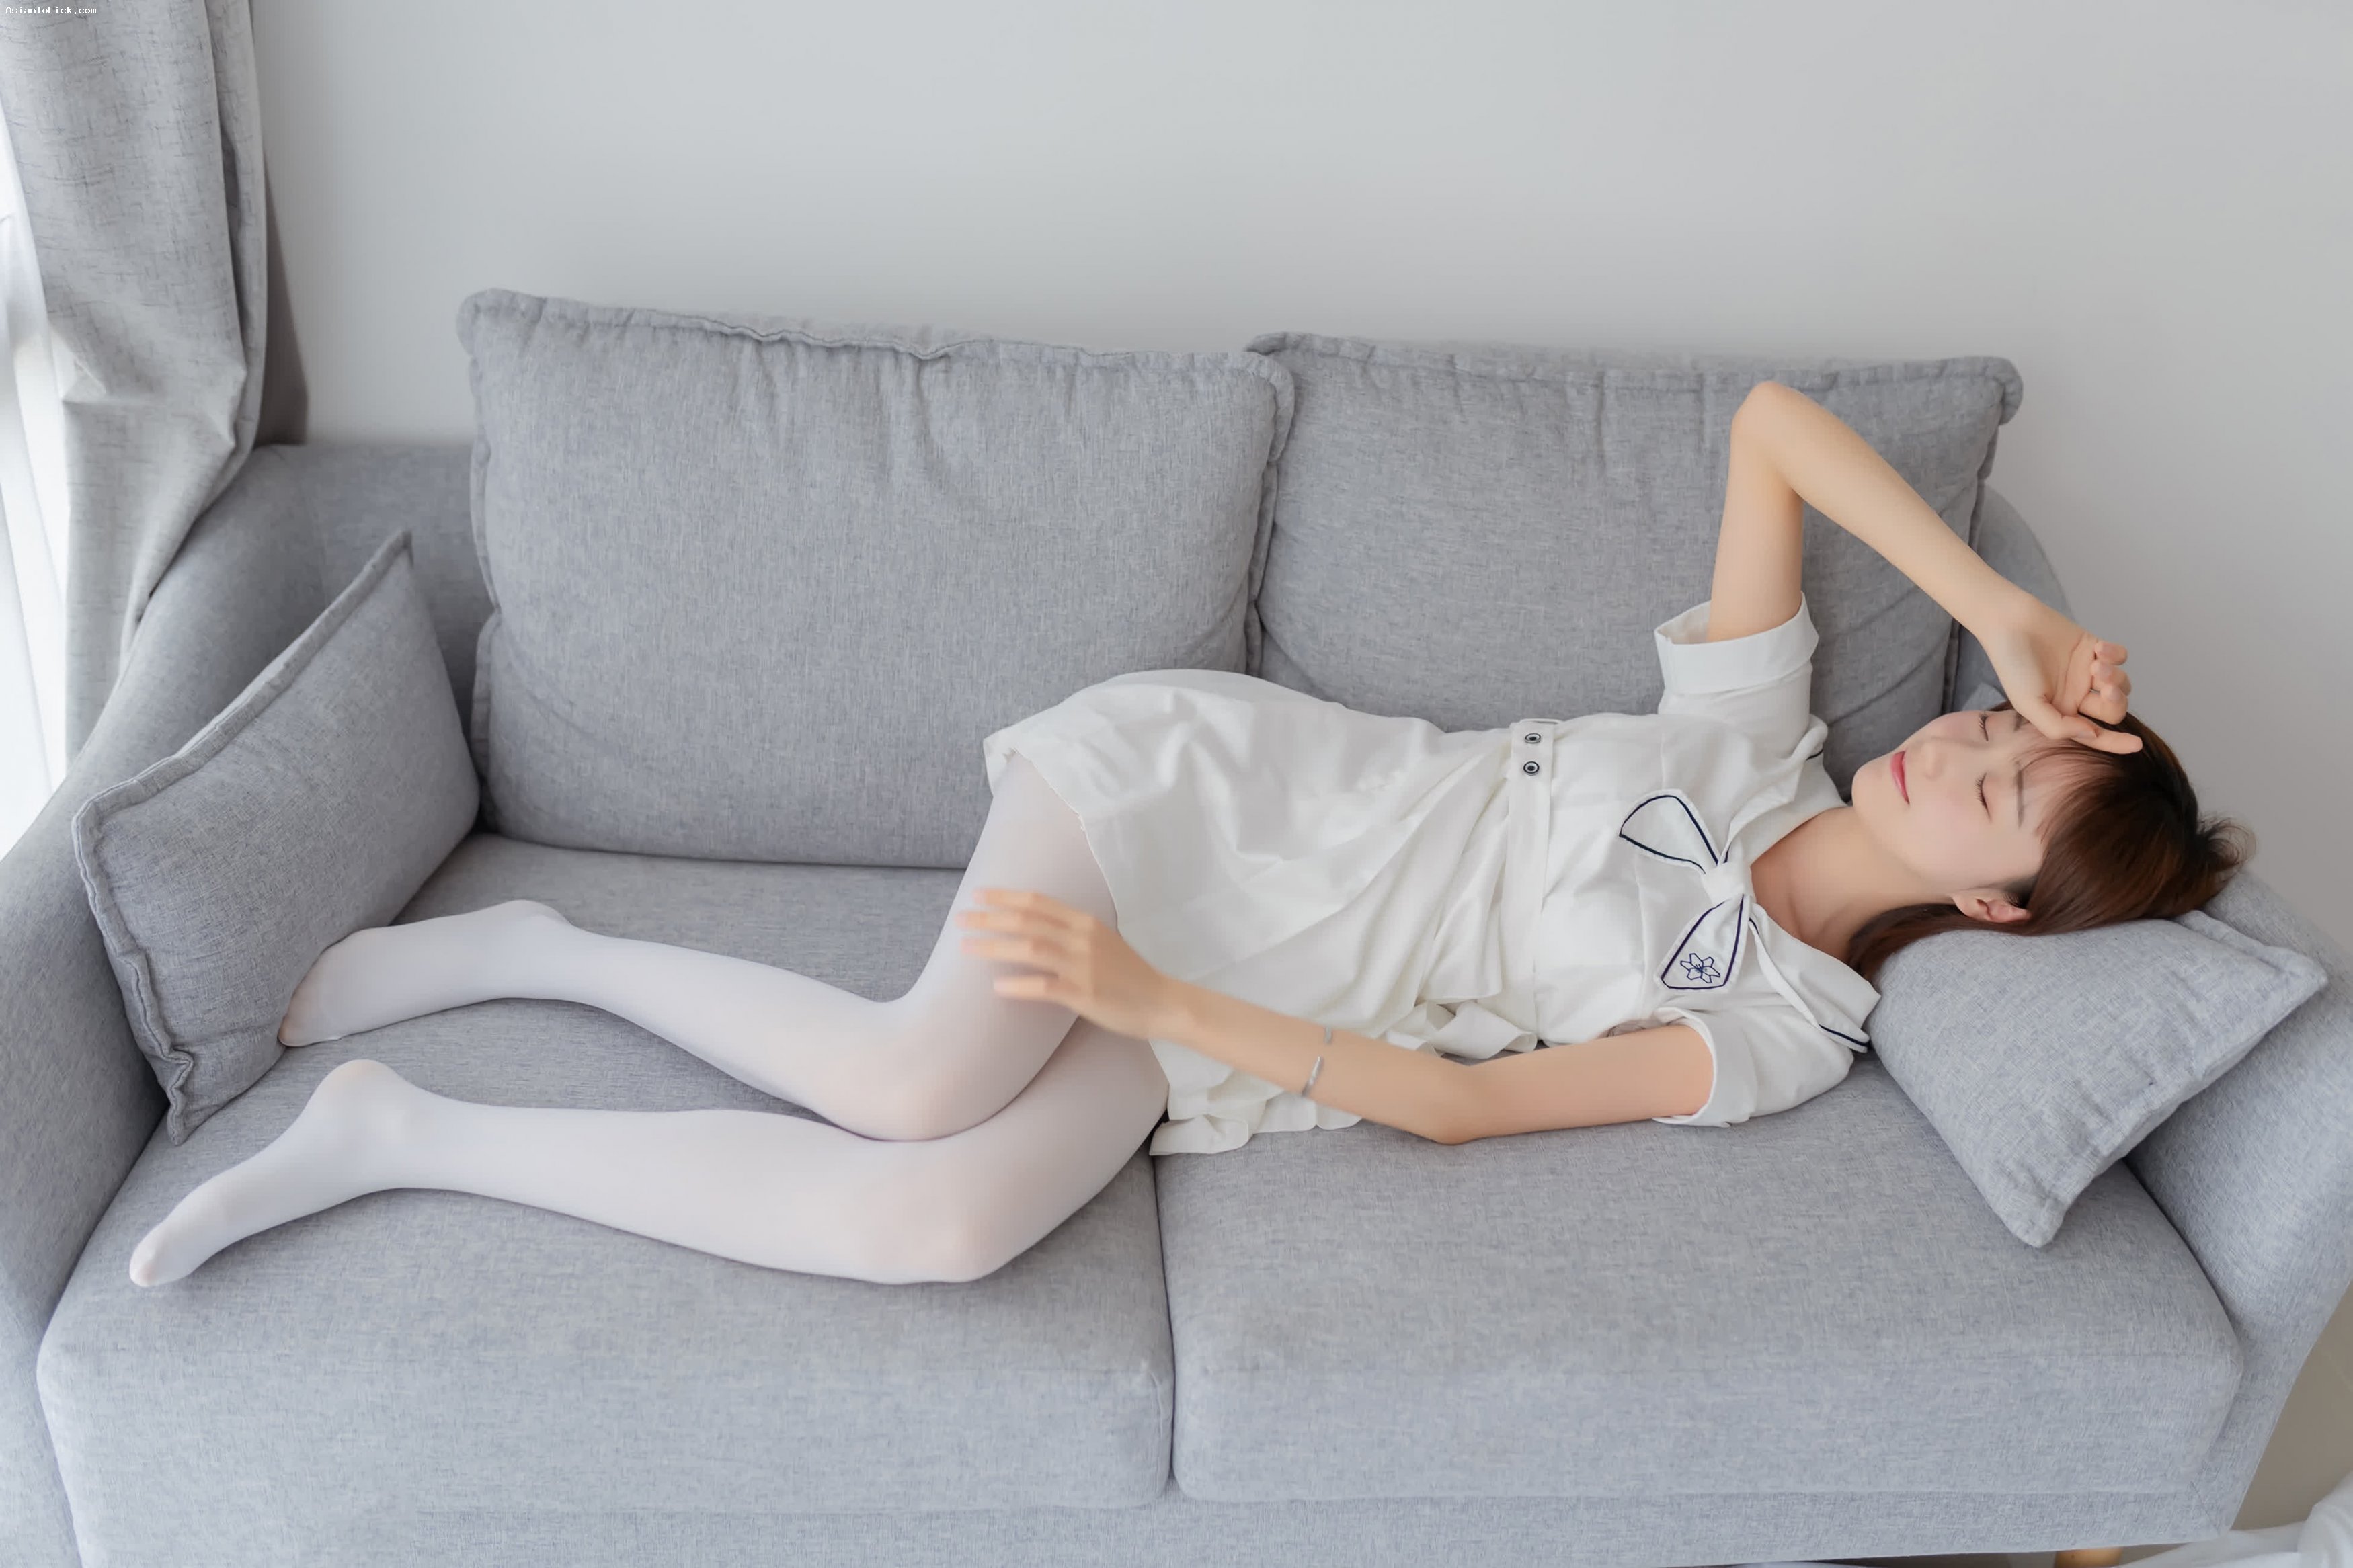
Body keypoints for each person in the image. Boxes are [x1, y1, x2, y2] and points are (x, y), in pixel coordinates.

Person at [126, 380, 2248, 1290]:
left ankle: (409, 1137)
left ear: (1995, 906)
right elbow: (1772, 428)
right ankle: (545, 953)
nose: (1948, 748)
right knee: (910, 1079)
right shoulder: (1757, 740)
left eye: (1990, 786)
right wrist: (2001, 611)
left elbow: (1454, 1108)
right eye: (1983, 728)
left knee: (938, 1228)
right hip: (1214, 802)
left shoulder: (1785, 1034)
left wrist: (1156, 1003)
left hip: (1231, 1011)